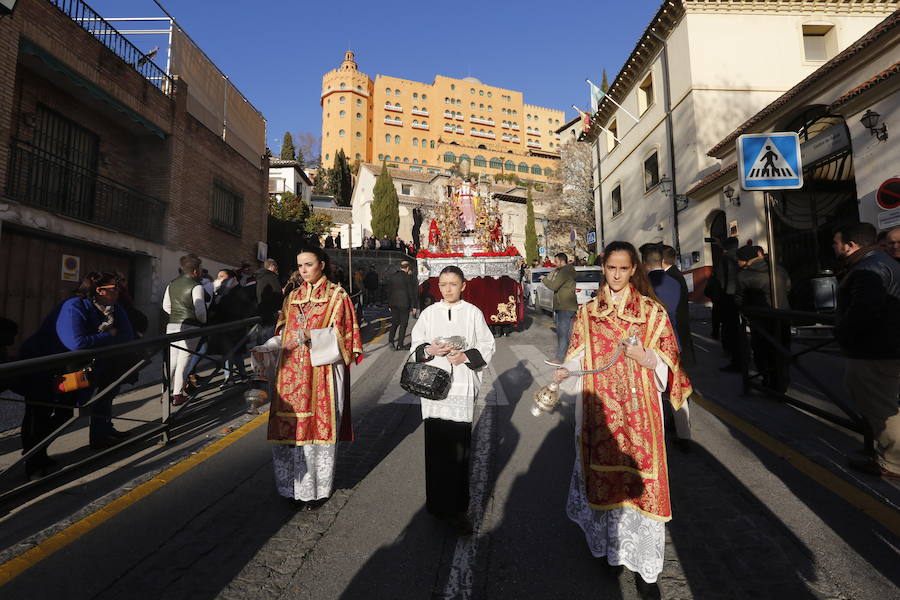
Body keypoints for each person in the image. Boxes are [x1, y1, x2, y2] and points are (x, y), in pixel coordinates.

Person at [554, 241, 691, 595]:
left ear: (634, 271)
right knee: (605, 482)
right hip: (600, 412)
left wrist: (647, 358)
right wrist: (566, 371)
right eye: (611, 268)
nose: (616, 275)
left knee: (641, 485)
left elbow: (670, 363)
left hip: (641, 413)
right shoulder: (588, 314)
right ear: (604, 268)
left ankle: (647, 570)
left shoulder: (652, 313)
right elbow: (578, 356)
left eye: (623, 269)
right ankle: (610, 551)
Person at [269, 247, 363, 506]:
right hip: (290, 376)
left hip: (322, 373)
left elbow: (346, 339)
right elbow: (284, 333)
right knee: (290, 432)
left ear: (321, 265)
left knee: (316, 431)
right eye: (300, 265)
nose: (303, 270)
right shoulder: (292, 297)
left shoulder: (337, 296)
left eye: (308, 264)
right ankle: (290, 488)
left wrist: (314, 336)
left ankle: (315, 490)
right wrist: (267, 346)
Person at [18, 272, 135, 476]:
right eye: (114, 288)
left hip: (74, 369)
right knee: (40, 412)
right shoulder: (74, 306)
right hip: (43, 368)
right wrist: (109, 335)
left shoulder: (114, 309)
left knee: (67, 411)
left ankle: (39, 451)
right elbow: (77, 343)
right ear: (99, 291)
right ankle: (33, 461)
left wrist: (102, 338)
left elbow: (127, 335)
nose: (119, 292)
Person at [410, 266, 495, 534]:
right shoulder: (429, 313)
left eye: (453, 284)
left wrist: (465, 356)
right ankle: (437, 505)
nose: (447, 289)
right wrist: (429, 349)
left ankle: (459, 509)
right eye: (443, 284)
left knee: (459, 450)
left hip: (460, 387)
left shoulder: (472, 313)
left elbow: (487, 344)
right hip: (433, 389)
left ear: (463, 285)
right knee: (435, 447)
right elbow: (416, 344)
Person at [832, 223, 900, 479]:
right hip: (884, 346)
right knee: (881, 400)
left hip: (875, 349)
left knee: (880, 404)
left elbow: (864, 311)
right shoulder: (879, 262)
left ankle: (893, 462)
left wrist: (841, 333)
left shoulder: (868, 268)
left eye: (836, 243)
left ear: (850, 246)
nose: (833, 247)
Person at [734, 245, 791, 393]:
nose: (737, 262)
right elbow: (788, 287)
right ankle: (782, 381)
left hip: (761, 320)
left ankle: (769, 381)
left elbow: (739, 299)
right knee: (782, 349)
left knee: (762, 351)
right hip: (783, 315)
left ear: (744, 260)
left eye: (738, 259)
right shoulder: (779, 269)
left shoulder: (744, 276)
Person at [162, 254, 207, 407]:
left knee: (172, 361)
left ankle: (164, 393)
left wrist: (176, 315)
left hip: (172, 325)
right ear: (195, 271)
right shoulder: (197, 286)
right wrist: (202, 322)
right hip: (191, 326)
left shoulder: (171, 284)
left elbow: (166, 306)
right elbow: (200, 310)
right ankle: (177, 394)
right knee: (184, 361)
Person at [208, 270, 256, 387]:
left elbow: (245, 308)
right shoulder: (220, 291)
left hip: (235, 327)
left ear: (232, 278)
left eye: (222, 276)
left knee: (232, 352)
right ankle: (238, 376)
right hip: (224, 327)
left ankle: (233, 377)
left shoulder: (239, 291)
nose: (219, 279)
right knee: (232, 353)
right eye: (218, 276)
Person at [661, 245, 696, 368]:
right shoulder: (673, 273)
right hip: (680, 315)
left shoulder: (671, 276)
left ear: (662, 260)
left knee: (681, 343)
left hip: (677, 316)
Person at [541, 253, 577, 364]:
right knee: (568, 334)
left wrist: (544, 279)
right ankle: (569, 357)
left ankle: (559, 359)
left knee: (562, 334)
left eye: (556, 261)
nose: (554, 263)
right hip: (568, 306)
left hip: (564, 306)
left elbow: (553, 286)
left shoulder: (564, 271)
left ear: (562, 261)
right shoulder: (568, 270)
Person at [387, 260, 419, 350]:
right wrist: (414, 306)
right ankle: (400, 344)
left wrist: (389, 304)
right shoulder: (408, 278)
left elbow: (389, 291)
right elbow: (411, 292)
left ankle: (391, 341)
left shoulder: (393, 277)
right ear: (408, 268)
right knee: (403, 324)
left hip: (394, 303)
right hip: (405, 304)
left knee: (394, 323)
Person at [255, 258, 283, 343]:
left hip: (260, 310)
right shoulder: (271, 276)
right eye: (276, 266)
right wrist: (280, 308)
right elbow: (277, 293)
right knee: (269, 340)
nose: (277, 269)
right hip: (271, 312)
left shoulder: (259, 276)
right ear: (272, 266)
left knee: (261, 337)